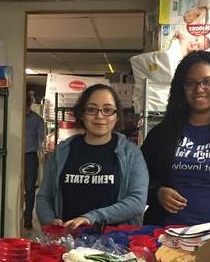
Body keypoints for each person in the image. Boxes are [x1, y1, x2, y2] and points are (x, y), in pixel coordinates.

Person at [142, 50, 210, 227]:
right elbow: (138, 181)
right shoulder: (161, 134)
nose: (199, 89)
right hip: (165, 233)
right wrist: (157, 192)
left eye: (207, 82)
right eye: (190, 83)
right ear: (181, 87)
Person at [36, 84, 148, 229]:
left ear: (116, 115)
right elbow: (45, 196)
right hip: (69, 243)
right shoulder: (63, 151)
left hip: (115, 244)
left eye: (107, 110)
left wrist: (91, 218)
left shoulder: (131, 154)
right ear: (82, 114)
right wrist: (50, 222)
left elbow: (137, 202)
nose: (99, 116)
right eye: (91, 109)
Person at [23, 92, 44, 229]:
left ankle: (28, 218)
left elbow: (41, 140)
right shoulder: (14, 117)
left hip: (30, 156)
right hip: (14, 155)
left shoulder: (37, 120)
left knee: (30, 189)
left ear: (28, 103)